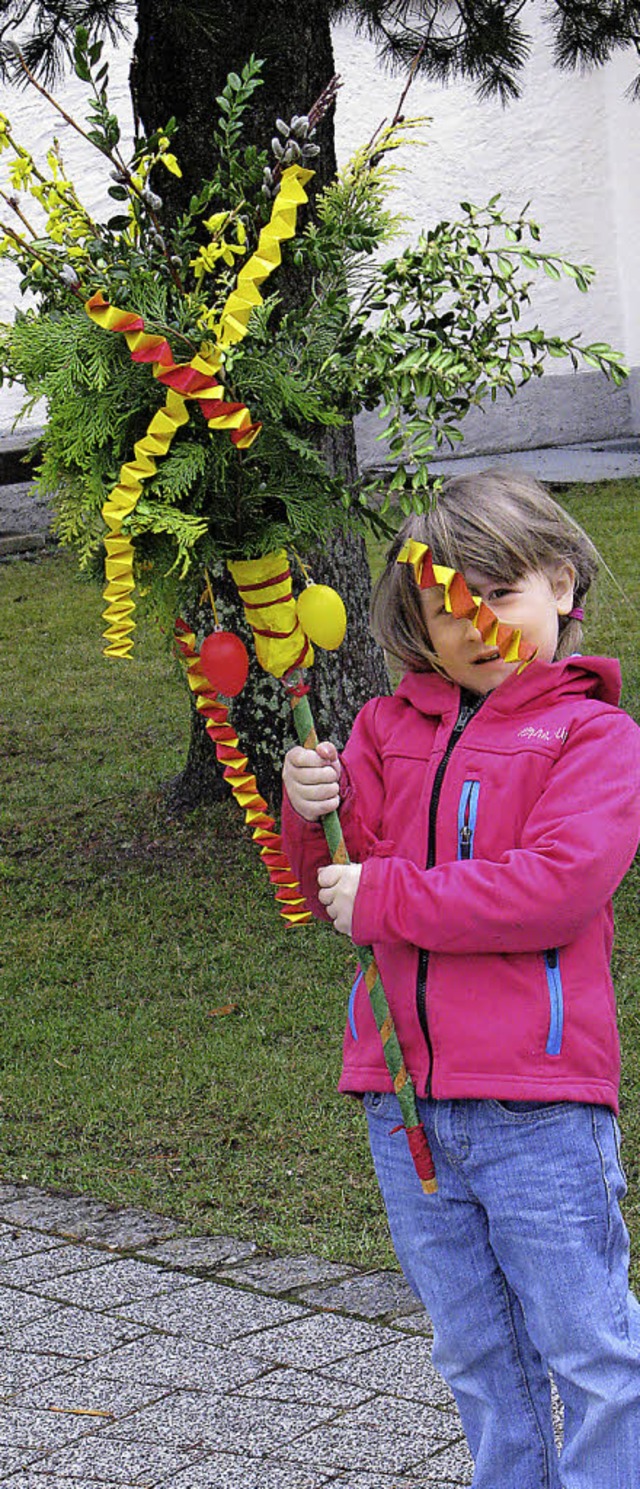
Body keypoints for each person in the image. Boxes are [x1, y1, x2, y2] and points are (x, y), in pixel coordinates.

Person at [281, 469, 640, 1489]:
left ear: (562, 584)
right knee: (477, 1350)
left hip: (536, 1104)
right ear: (419, 625)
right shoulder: (384, 732)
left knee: (591, 1348)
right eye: (449, 607)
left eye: (501, 593)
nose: (476, 624)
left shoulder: (594, 736)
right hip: (403, 1106)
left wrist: (384, 893)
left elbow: (555, 888)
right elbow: (327, 894)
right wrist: (307, 807)